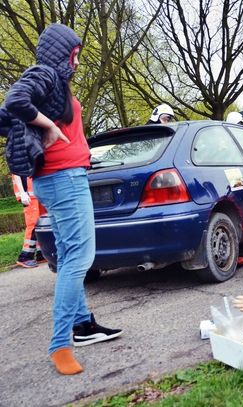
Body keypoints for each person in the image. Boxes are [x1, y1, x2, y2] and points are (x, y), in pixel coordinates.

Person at [3, 23, 122, 375]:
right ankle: (60, 345)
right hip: (63, 178)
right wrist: (50, 128)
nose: (77, 62)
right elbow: (14, 101)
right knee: (79, 259)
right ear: (61, 52)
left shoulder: (52, 83)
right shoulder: (45, 74)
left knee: (71, 255)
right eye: (75, 54)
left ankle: (83, 325)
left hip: (61, 176)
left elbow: (9, 115)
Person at [12, 175, 47, 267]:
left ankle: (41, 253)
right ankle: (25, 256)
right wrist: (23, 193)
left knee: (42, 223)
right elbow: (16, 172)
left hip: (36, 193)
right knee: (33, 224)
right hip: (29, 195)